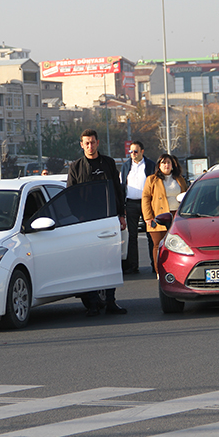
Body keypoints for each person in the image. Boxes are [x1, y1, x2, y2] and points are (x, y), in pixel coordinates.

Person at [67, 128, 127, 316]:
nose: (90, 146)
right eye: (86, 143)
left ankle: (110, 301)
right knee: (90, 263)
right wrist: (79, 218)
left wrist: (121, 214)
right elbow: (70, 196)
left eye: (93, 142)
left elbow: (118, 190)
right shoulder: (75, 167)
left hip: (108, 220)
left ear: (98, 143)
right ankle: (93, 304)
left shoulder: (108, 163)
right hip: (87, 223)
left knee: (109, 261)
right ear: (81, 145)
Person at [142, 154, 188, 271]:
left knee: (178, 245)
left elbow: (187, 196)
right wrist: (148, 217)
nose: (166, 165)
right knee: (158, 245)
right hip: (159, 217)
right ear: (159, 165)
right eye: (163, 163)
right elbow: (146, 198)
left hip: (176, 217)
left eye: (168, 163)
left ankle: (176, 269)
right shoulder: (151, 179)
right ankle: (159, 271)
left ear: (173, 165)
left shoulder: (180, 179)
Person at [119, 141, 156, 274]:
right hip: (130, 204)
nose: (133, 154)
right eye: (131, 152)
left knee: (150, 235)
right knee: (132, 236)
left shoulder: (150, 165)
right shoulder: (126, 166)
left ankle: (155, 265)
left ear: (142, 151)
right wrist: (122, 206)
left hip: (147, 204)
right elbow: (123, 186)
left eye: (135, 151)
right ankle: (133, 266)